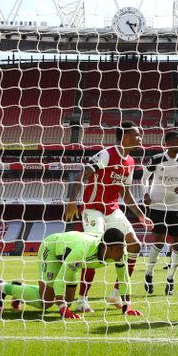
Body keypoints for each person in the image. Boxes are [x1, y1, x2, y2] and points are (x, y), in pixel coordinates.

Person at [63, 121, 153, 312]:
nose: (140, 137)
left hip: (112, 209)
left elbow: (126, 194)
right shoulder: (106, 154)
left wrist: (141, 216)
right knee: (93, 250)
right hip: (93, 209)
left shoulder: (130, 162)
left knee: (135, 245)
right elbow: (82, 173)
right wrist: (72, 201)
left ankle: (116, 294)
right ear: (126, 136)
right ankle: (82, 299)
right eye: (137, 134)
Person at [0, 229, 141, 319]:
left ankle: (20, 289)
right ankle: (2, 287)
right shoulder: (83, 250)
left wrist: (127, 306)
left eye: (123, 248)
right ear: (108, 247)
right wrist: (63, 311)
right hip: (51, 250)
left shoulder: (121, 254)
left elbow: (124, 278)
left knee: (68, 301)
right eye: (119, 248)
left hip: (69, 261)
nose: (123, 252)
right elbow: (61, 277)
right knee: (47, 303)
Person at [142, 130, 178, 296]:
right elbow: (144, 178)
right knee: (159, 242)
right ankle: (149, 273)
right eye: (176, 141)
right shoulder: (157, 159)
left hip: (176, 207)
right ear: (166, 143)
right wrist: (145, 193)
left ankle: (170, 279)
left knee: (176, 244)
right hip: (157, 205)